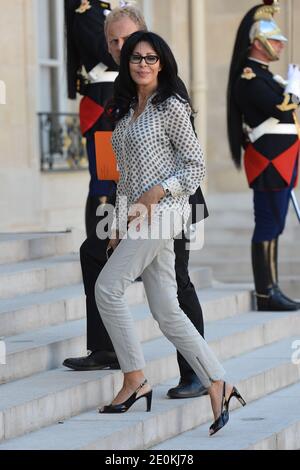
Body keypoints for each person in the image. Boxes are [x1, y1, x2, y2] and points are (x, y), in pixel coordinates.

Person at [94, 30, 246, 436]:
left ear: (162, 63)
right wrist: (116, 223)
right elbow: (125, 177)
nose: (143, 64)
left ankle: (134, 378)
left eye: (151, 58)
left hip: (167, 213)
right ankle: (218, 382)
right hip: (138, 216)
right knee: (166, 309)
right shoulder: (125, 111)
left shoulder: (172, 106)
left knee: (107, 288)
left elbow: (196, 166)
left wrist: (159, 191)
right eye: (136, 58)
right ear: (126, 63)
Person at [63, 4, 210, 400]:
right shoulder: (120, 94)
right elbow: (119, 162)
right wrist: (115, 214)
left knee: (176, 283)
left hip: (176, 201)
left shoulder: (165, 88)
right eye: (112, 41)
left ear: (144, 36)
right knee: (93, 252)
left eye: (127, 38)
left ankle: (196, 373)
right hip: (128, 199)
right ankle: (107, 347)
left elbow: (188, 162)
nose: (119, 46)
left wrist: (156, 199)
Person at [227, 0, 300, 312]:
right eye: (274, 41)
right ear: (257, 44)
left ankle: (272, 288)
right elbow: (278, 107)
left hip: (281, 160)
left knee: (276, 225)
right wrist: (294, 90)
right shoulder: (249, 78)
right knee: (269, 224)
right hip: (269, 162)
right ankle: (265, 292)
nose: (280, 46)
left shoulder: (268, 77)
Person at [65, 0, 119, 237]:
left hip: (121, 97)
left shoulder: (114, 10)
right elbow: (106, 54)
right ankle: (100, 247)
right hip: (104, 103)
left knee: (123, 181)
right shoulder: (87, 12)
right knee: (105, 179)